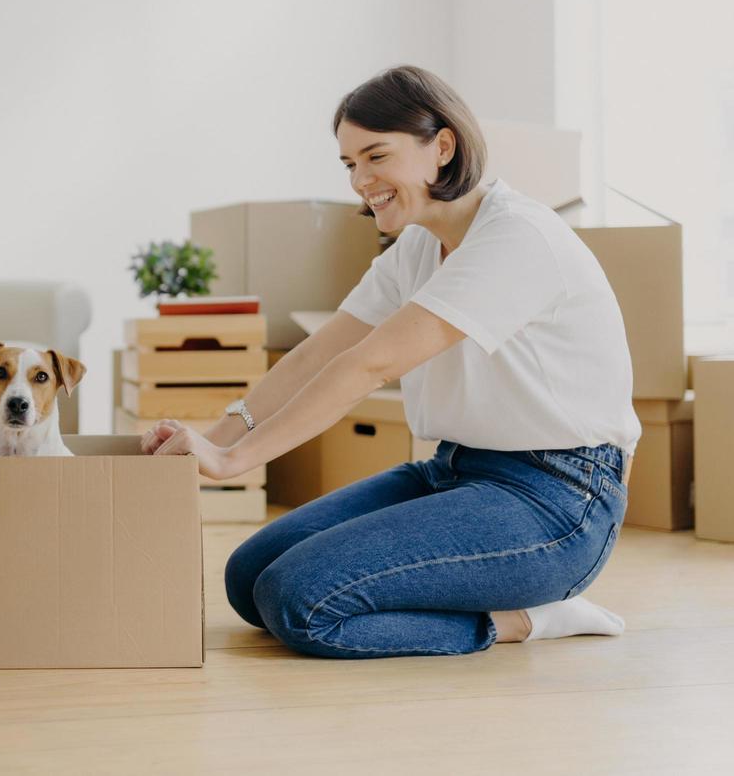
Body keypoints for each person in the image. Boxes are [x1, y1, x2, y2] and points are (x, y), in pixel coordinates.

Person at [144, 65, 636, 658]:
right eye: (350, 164)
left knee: (301, 603)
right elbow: (321, 352)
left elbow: (369, 365)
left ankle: (528, 619)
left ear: (443, 147)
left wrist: (233, 460)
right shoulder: (420, 246)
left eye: (376, 157)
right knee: (249, 578)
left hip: (558, 500)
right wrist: (216, 439)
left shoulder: (515, 237)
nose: (360, 180)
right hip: (456, 471)